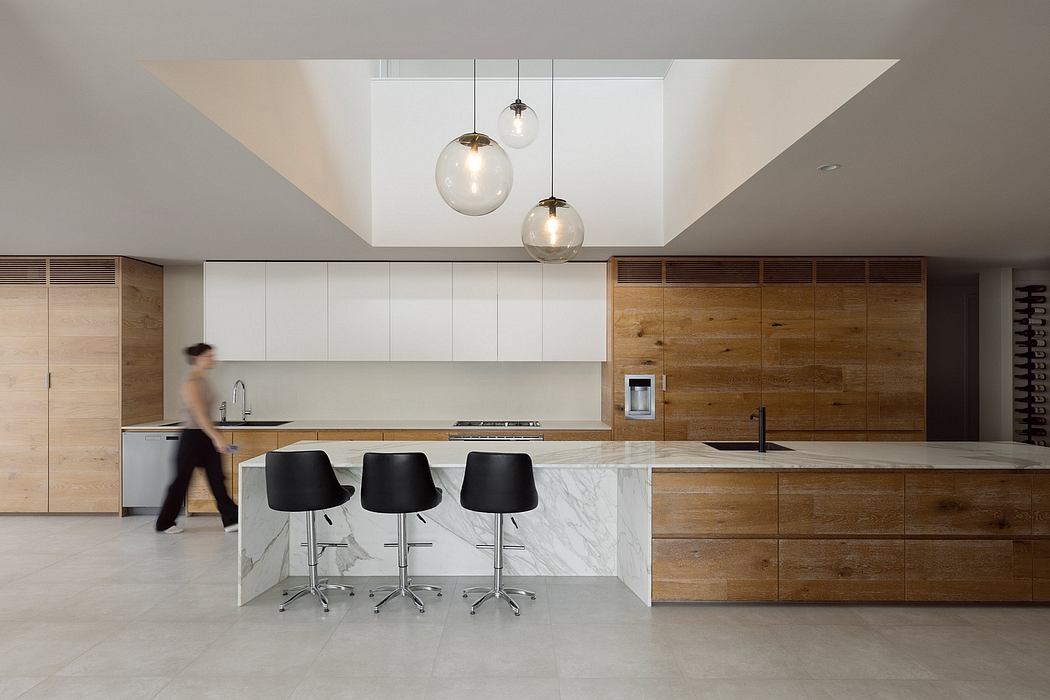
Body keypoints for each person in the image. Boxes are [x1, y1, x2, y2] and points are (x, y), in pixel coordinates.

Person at [156, 343, 239, 534]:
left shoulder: (204, 381)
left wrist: (215, 436)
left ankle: (231, 520)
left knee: (218, 479)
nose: (212, 359)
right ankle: (165, 522)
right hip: (192, 438)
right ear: (197, 359)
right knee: (181, 481)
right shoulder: (191, 384)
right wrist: (216, 437)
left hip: (204, 436)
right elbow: (200, 415)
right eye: (208, 356)